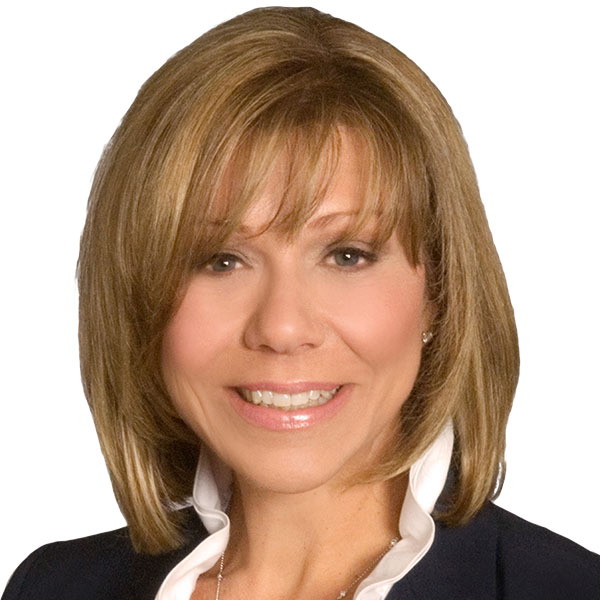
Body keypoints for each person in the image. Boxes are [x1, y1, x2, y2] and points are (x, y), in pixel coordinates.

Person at [3, 6, 599, 600]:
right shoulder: (50, 589)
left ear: (439, 294)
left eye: (347, 255)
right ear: (138, 297)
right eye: (221, 260)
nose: (283, 327)